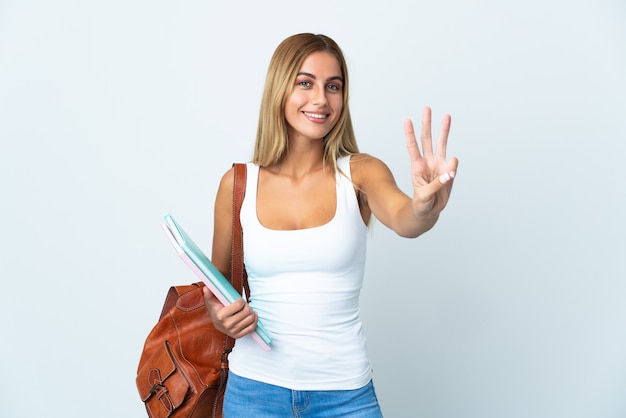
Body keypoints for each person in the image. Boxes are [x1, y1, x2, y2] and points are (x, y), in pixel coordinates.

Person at [203, 33, 458, 417]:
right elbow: (216, 288)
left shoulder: (361, 173)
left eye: (333, 86)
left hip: (344, 397)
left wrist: (426, 206)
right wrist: (219, 316)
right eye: (305, 83)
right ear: (279, 89)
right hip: (254, 393)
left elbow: (406, 219)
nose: (321, 99)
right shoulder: (237, 184)